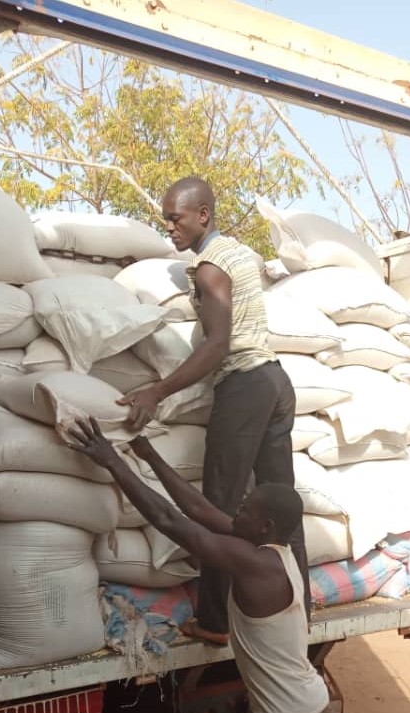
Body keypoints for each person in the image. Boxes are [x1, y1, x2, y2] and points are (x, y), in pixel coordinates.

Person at [67, 417, 333, 713]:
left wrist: (112, 461)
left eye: (247, 508)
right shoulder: (267, 548)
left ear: (265, 526)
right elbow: (197, 509)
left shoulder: (258, 566)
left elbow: (169, 521)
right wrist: (150, 456)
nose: (239, 509)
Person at [117, 176, 310, 643]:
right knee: (282, 505)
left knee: (222, 504)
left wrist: (156, 392)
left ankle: (215, 621)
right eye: (165, 219)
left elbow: (218, 345)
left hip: (245, 386)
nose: (169, 228)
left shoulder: (209, 267)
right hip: (276, 382)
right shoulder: (239, 253)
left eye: (175, 218)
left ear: (203, 214)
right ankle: (300, 609)